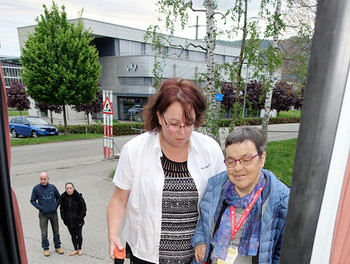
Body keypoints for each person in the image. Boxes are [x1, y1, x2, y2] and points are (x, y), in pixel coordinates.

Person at [107, 78, 226, 264]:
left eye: (189, 124)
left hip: (195, 257)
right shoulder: (135, 150)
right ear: (160, 116)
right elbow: (119, 199)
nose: (182, 132)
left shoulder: (210, 150)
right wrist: (113, 235)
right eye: (174, 123)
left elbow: (221, 200)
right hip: (147, 256)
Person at [191, 127, 290, 264]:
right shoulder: (215, 188)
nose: (237, 168)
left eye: (245, 160)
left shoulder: (282, 201)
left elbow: (283, 253)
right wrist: (200, 240)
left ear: (262, 158)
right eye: (231, 161)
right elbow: (204, 222)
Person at [30, 171, 64, 257]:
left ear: (48, 179)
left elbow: (59, 197)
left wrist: (55, 206)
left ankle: (57, 246)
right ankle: (45, 248)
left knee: (56, 231)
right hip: (43, 214)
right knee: (44, 233)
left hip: (53, 213)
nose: (43, 181)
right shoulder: (36, 188)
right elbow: (32, 200)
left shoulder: (52, 187)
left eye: (44, 179)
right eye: (41, 179)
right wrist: (41, 208)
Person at [59, 182, 87, 256]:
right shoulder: (63, 198)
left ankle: (80, 248)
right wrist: (64, 218)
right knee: (73, 235)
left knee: (79, 235)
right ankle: (75, 249)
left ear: (73, 189)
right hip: (69, 221)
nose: (69, 190)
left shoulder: (78, 197)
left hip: (78, 221)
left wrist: (80, 217)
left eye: (70, 188)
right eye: (67, 188)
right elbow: (61, 209)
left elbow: (83, 208)